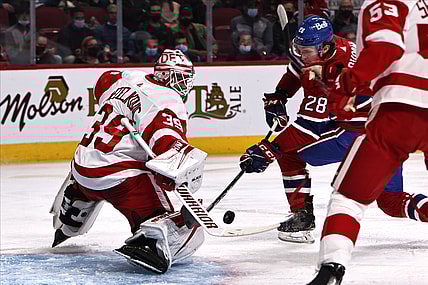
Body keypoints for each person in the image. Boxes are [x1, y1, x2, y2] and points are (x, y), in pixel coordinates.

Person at [239, 15, 428, 246]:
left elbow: (309, 128)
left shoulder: (339, 71)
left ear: (325, 47)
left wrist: (269, 148)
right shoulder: (328, 47)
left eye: (306, 50)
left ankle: (302, 218)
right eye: (299, 48)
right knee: (390, 200)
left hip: (355, 134)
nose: (301, 54)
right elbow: (296, 71)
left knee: (289, 154)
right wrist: (281, 95)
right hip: (387, 132)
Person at [50, 49, 206, 274]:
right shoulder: (168, 100)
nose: (183, 86)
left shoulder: (127, 78)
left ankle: (74, 208)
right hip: (121, 182)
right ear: (165, 76)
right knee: (190, 232)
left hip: (82, 169)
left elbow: (104, 81)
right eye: (180, 78)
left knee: (94, 171)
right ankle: (152, 242)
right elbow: (167, 141)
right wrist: (180, 169)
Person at [305, 1, 428, 283]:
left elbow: (386, 49)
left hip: (401, 110)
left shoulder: (387, 2)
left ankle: (332, 268)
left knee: (349, 197)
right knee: (390, 199)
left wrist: (350, 83)